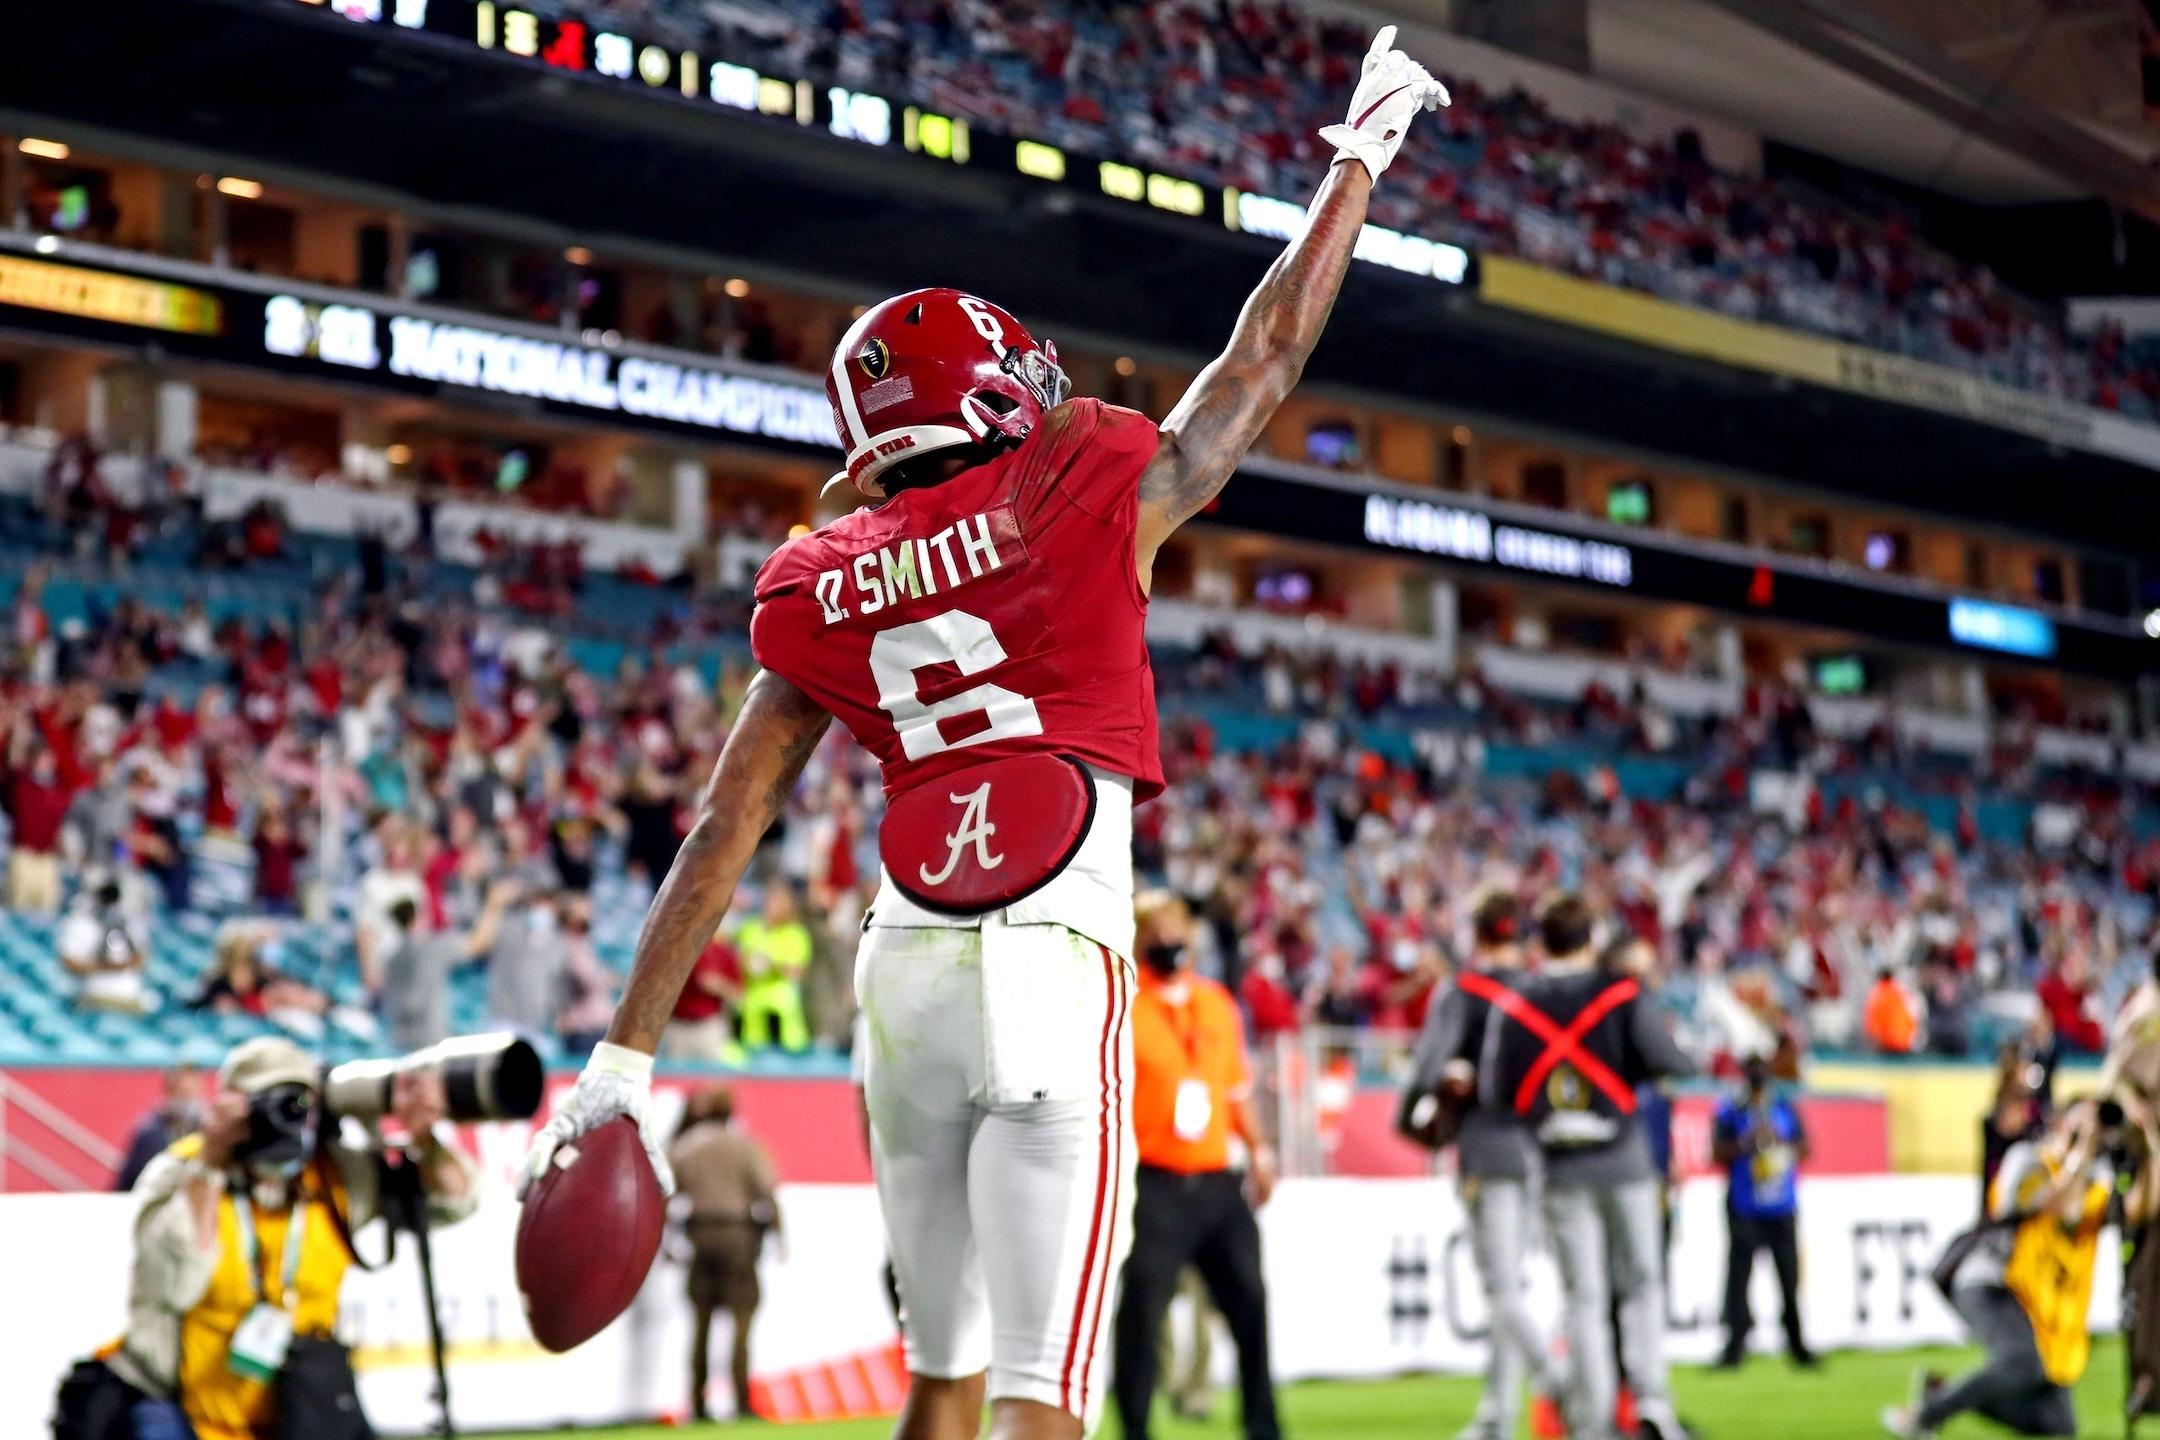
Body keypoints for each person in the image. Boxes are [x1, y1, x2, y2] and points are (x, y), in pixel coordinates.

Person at [520, 31, 1451, 1440]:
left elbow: (725, 823)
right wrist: (1357, 163)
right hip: (1053, 953)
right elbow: (1260, 359)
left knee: (940, 1379)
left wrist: (621, 1065)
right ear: (990, 392)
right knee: (1043, 1396)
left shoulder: (816, 577)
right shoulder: (1077, 480)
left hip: (904, 971)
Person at [103, 1037, 476, 1440]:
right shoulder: (181, 1170)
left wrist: (425, 1141)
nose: (284, 1117)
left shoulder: (335, 1174)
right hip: (187, 1411)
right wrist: (211, 1161)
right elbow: (172, 1286)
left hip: (302, 1411)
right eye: (267, 1103)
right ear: (231, 1105)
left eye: (298, 1103)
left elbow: (451, 1204)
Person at [1480, 897, 1695, 1440]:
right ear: (1592, 938)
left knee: (1585, 1299)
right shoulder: (1620, 993)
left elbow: (1496, 1090)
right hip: (1625, 1159)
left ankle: (1593, 1419)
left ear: (1541, 942)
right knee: (1643, 1282)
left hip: (1560, 1166)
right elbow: (1669, 1060)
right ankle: (1650, 1399)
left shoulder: (1518, 1004)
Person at [1112, 890, 1282, 1440]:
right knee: (1142, 1313)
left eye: (1176, 927)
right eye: (1155, 929)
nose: (1169, 939)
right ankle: (1135, 1428)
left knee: (1251, 1302)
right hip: (1153, 1180)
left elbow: (1236, 1090)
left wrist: (1259, 1150)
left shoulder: (1216, 1003)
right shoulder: (1124, 1003)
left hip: (1215, 1179)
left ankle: (1263, 1426)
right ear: (1138, 937)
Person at [1402, 890, 1558, 1440]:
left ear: (1478, 933)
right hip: (1539, 1149)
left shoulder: (1463, 991)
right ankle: (1497, 1414)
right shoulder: (1542, 993)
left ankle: (1558, 1381)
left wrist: (1410, 1120)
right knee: (1508, 1285)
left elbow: (1427, 1068)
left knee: (1500, 1290)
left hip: (1485, 1148)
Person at [1882, 1103, 2111, 1439]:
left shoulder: (2092, 1174)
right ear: (2057, 1124)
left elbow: (2108, 1210)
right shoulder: (2028, 1159)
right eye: (2078, 1126)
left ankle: (1942, 1392)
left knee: (2057, 1424)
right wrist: (2082, 1152)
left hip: (2038, 1300)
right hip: (1990, 1282)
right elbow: (2058, 1206)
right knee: (2023, 1361)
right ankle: (1923, 1416)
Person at [670, 1083, 782, 1422]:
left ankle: (698, 1403)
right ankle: (742, 1401)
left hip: (699, 1235)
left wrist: (665, 1244)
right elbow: (766, 1193)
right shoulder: (745, 1148)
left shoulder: (685, 1148)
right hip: (738, 1238)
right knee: (741, 1323)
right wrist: (780, 1236)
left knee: (700, 1324)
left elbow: (665, 1195)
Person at [1713, 1055, 1815, 1368]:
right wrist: (1747, 1143)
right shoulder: (1732, 1110)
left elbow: (1805, 1147)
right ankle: (1736, 1344)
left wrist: (1779, 1141)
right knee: (1738, 1281)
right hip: (1745, 1206)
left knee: (1788, 1279)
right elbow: (1717, 1151)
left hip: (1780, 1205)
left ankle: (1796, 1343)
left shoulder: (1783, 1108)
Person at [734, 882, 813, 1052]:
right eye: (769, 900)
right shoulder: (750, 929)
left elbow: (797, 972)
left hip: (782, 1017)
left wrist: (770, 965)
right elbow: (738, 960)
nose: (771, 906)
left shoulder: (795, 934)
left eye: (777, 902)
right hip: (753, 1014)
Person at [114, 1064, 205, 1192]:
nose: (188, 1101)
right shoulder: (149, 1133)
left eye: (191, 1092)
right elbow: (128, 1180)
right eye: (182, 1092)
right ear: (170, 1090)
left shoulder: (204, 1130)